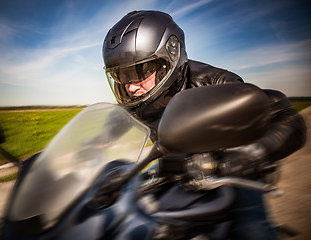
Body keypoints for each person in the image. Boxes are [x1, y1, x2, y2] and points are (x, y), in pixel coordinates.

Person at [102, 10, 306, 239]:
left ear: (168, 58)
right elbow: (116, 123)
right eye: (122, 76)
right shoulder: (136, 100)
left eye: (139, 71)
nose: (130, 87)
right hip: (173, 168)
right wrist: (95, 145)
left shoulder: (217, 83)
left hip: (230, 170)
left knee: (252, 230)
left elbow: (287, 118)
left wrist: (256, 154)